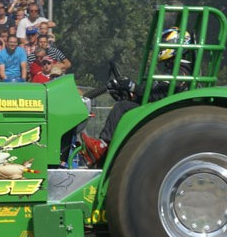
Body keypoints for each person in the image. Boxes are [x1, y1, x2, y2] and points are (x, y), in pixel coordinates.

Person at [81, 28, 193, 166]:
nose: (162, 48)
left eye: (166, 44)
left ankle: (102, 147)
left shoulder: (181, 70)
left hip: (165, 111)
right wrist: (134, 93)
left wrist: (133, 87)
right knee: (126, 102)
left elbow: (160, 95)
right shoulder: (176, 68)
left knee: (122, 107)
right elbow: (158, 92)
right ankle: (105, 155)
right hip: (162, 107)